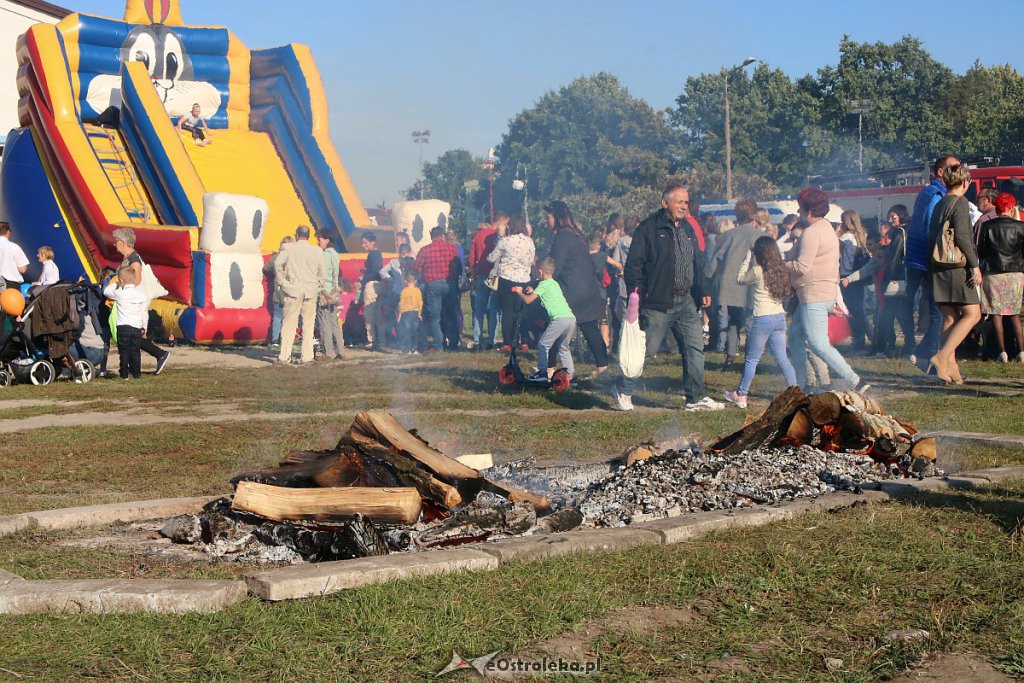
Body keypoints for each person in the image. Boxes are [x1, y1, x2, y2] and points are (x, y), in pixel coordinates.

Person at [614, 184, 724, 412]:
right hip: (657, 303)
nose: (684, 206)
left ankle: (695, 397)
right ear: (665, 203)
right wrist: (638, 295)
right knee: (647, 350)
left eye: (686, 202)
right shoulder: (649, 228)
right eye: (679, 202)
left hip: (686, 301)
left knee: (694, 347)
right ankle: (623, 388)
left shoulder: (688, 229)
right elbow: (634, 265)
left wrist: (703, 289)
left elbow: (697, 262)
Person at [784, 187, 865, 391]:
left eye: (801, 206)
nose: (799, 210)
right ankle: (801, 385)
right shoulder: (826, 228)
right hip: (818, 294)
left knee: (818, 343)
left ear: (808, 209)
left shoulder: (812, 232)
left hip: (814, 295)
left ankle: (854, 380)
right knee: (795, 337)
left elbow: (802, 267)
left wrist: (778, 264)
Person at [722, 237, 798, 408]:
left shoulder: (757, 271)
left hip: (762, 319)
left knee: (752, 359)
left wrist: (748, 256)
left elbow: (740, 278)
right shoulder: (781, 270)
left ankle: (741, 395)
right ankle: (796, 392)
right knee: (782, 359)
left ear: (759, 253)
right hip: (779, 318)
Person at [928, 163, 981, 383]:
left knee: (950, 317)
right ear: (965, 182)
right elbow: (962, 237)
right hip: (957, 267)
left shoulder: (940, 203)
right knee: (973, 314)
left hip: (938, 266)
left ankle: (951, 369)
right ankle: (941, 358)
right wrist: (975, 265)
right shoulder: (961, 202)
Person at [906, 155, 959, 370]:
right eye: (953, 168)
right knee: (941, 312)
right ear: (940, 172)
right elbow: (932, 225)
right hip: (929, 259)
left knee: (938, 311)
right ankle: (929, 358)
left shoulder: (929, 192)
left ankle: (925, 356)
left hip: (921, 258)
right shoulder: (937, 193)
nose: (957, 171)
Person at [546, 201, 609, 377]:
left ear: (557, 216)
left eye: (549, 216)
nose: (547, 219)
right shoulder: (577, 234)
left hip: (571, 291)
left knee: (553, 325)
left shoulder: (563, 237)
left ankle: (549, 369)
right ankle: (603, 369)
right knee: (590, 329)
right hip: (587, 290)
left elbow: (555, 266)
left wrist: (541, 279)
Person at [705, 198, 761, 366]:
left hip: (727, 287)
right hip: (750, 286)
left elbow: (712, 264)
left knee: (732, 323)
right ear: (754, 215)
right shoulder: (760, 236)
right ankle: (751, 360)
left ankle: (730, 356)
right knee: (750, 324)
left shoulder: (727, 236)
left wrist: (706, 286)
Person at [111, 227, 170, 374]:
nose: (114, 245)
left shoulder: (134, 259)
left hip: (136, 301)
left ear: (122, 242)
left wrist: (121, 291)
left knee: (131, 333)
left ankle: (159, 354)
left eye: (116, 242)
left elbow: (136, 280)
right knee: (131, 333)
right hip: (133, 300)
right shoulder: (129, 258)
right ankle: (147, 359)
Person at [977, 192, 1024, 363]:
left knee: (996, 313)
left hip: (993, 274)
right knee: (1014, 314)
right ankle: (1021, 351)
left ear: (996, 208)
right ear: (1011, 208)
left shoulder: (987, 226)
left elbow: (981, 251)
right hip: (1016, 275)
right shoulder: (1021, 226)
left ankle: (1002, 352)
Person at [512, 257, 576, 381]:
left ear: (540, 272)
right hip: (570, 318)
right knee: (563, 347)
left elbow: (528, 300)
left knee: (543, 344)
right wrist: (534, 290)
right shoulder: (554, 283)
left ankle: (542, 373)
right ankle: (569, 374)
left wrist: (520, 292)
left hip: (559, 319)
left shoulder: (542, 284)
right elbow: (546, 293)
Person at [274, 225, 325, 364]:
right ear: (308, 236)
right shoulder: (317, 251)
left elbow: (277, 264)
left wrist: (282, 282)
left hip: (293, 289)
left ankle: (284, 356)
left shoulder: (288, 248)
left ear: (296, 235)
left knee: (289, 324)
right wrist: (317, 287)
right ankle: (307, 356)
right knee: (308, 325)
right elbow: (322, 273)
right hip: (310, 290)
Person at [488, 215, 535, 351]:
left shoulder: (505, 241)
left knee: (507, 312)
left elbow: (492, 258)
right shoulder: (529, 241)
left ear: (511, 226)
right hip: (524, 280)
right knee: (521, 312)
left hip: (507, 279)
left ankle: (507, 343)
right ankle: (524, 341)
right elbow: (532, 259)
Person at [414, 225, 461, 353]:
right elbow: (458, 266)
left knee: (435, 317)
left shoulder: (425, 250)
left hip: (432, 285)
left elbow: (416, 268)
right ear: (442, 236)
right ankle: (453, 343)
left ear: (431, 236)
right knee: (451, 314)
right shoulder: (451, 248)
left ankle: (438, 345)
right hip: (449, 283)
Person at [103, 266, 149, 379]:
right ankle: (136, 373)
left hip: (123, 327)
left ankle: (124, 374)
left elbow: (106, 292)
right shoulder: (142, 295)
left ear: (121, 280)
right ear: (134, 279)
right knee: (135, 351)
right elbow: (144, 313)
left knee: (124, 352)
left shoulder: (120, 294)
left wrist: (116, 283)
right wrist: (144, 326)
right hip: (137, 327)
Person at [468, 214, 507, 350]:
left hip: (481, 274)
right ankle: (492, 339)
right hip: (495, 275)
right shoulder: (497, 235)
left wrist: (472, 277)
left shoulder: (477, 237)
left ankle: (477, 339)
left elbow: (472, 260)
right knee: (494, 310)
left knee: (479, 309)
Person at [837, 210, 872, 351]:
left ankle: (860, 338)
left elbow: (845, 262)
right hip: (858, 277)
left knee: (852, 310)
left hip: (847, 276)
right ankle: (869, 335)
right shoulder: (860, 236)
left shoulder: (845, 238)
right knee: (859, 309)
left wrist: (841, 276)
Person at [316, 231, 344, 360]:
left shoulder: (323, 255)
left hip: (324, 293)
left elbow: (321, 274)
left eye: (320, 239)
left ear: (327, 240)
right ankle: (341, 350)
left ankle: (329, 352)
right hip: (334, 292)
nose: (318, 241)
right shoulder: (335, 254)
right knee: (334, 323)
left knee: (324, 322)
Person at [264, 235, 294, 346]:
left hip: (278, 289)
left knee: (277, 316)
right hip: (291, 290)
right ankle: (285, 338)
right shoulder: (294, 258)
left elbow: (266, 268)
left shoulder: (276, 257)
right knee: (289, 316)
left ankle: (275, 339)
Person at [395, 271, 423, 353]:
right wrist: (419, 313)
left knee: (406, 331)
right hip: (415, 313)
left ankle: (406, 348)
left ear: (405, 281)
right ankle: (414, 348)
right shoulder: (418, 291)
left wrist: (399, 315)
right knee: (415, 331)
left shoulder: (404, 291)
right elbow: (420, 303)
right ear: (416, 281)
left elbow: (401, 303)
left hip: (406, 314)